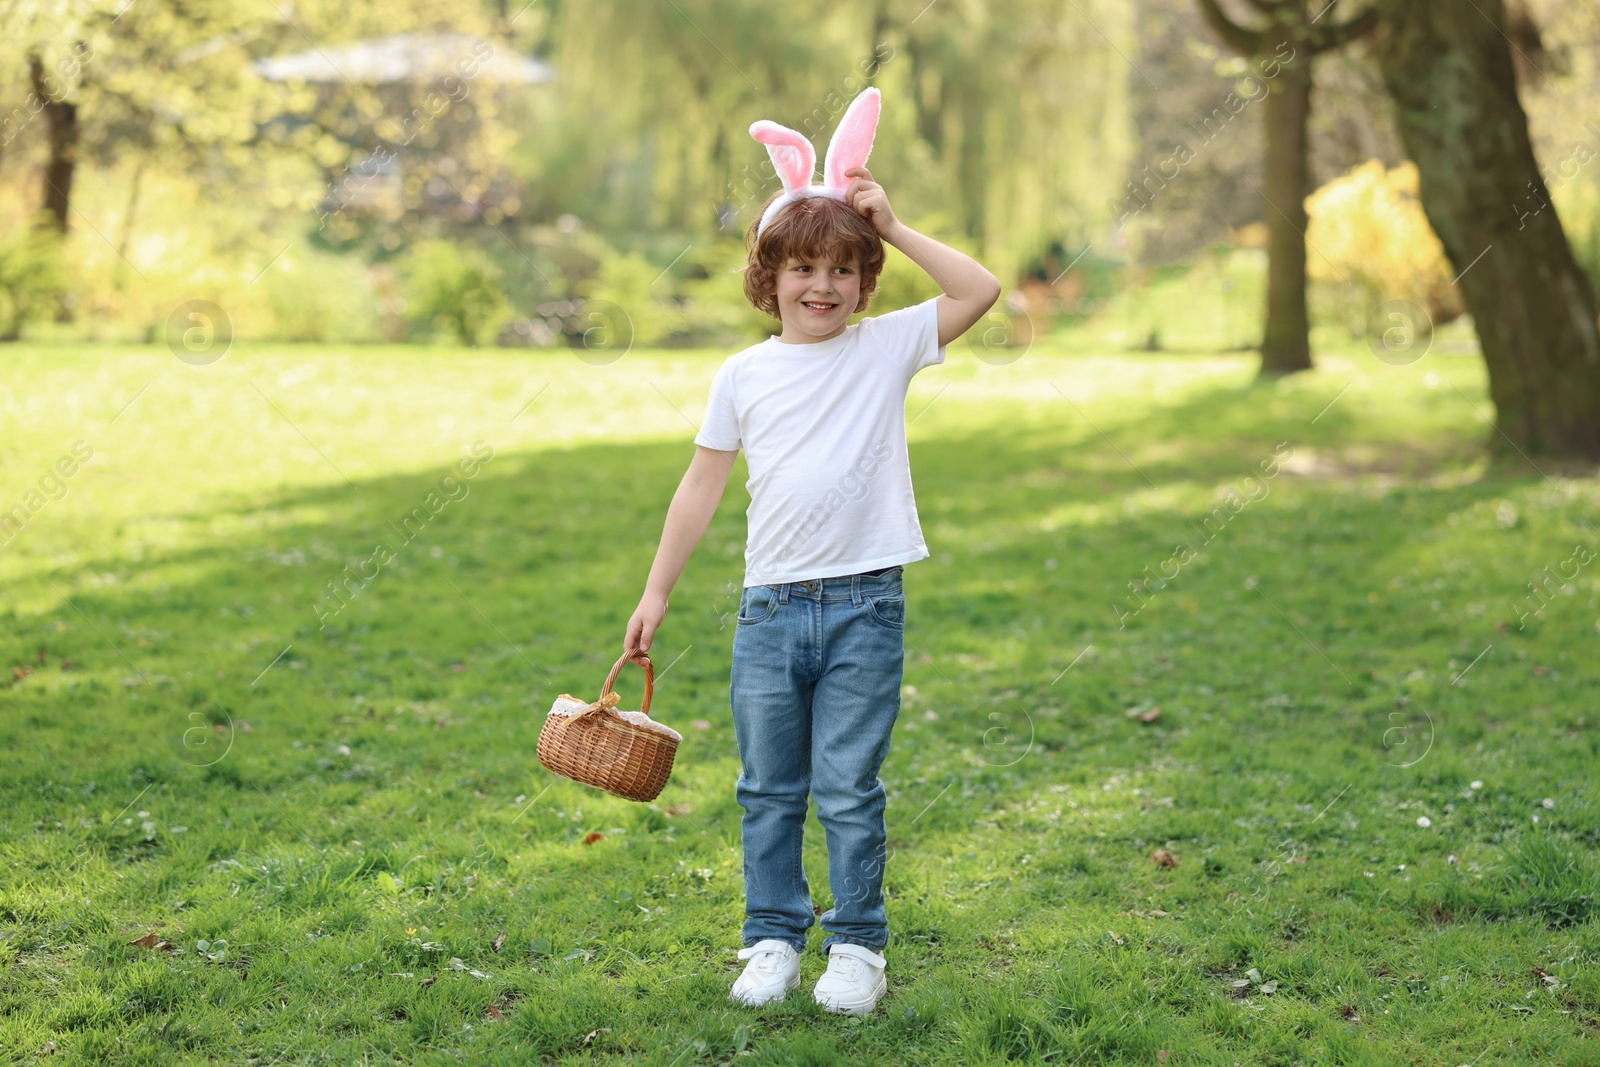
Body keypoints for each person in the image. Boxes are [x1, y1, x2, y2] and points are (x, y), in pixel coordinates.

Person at [622, 163, 1000, 1015]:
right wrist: (656, 592)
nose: (822, 285)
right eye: (802, 267)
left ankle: (858, 944)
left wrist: (893, 227)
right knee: (766, 788)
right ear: (769, 278)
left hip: (866, 605)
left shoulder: (886, 345)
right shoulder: (743, 375)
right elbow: (699, 487)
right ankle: (771, 937)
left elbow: (980, 287)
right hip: (770, 611)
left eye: (842, 269)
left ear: (865, 284)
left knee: (847, 788)